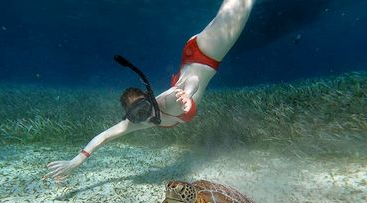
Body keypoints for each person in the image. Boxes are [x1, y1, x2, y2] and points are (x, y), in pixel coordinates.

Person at [45, 0, 255, 181]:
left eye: (144, 109)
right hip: (198, 54)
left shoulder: (167, 103)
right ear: (131, 116)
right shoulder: (141, 120)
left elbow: (192, 81)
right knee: (232, 7)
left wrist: (187, 95)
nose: (146, 117)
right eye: (137, 115)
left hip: (206, 54)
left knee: (243, 4)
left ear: (149, 100)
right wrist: (75, 162)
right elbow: (105, 137)